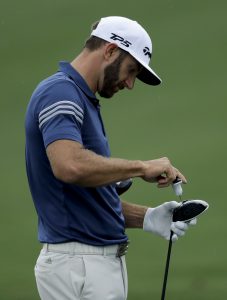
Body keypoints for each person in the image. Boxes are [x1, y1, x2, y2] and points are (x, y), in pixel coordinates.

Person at [25, 16, 196, 300]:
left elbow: (82, 199)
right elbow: (69, 165)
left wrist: (149, 218)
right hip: (81, 266)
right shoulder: (60, 92)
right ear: (110, 50)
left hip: (84, 263)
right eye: (131, 70)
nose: (130, 84)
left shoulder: (81, 98)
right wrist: (141, 167)